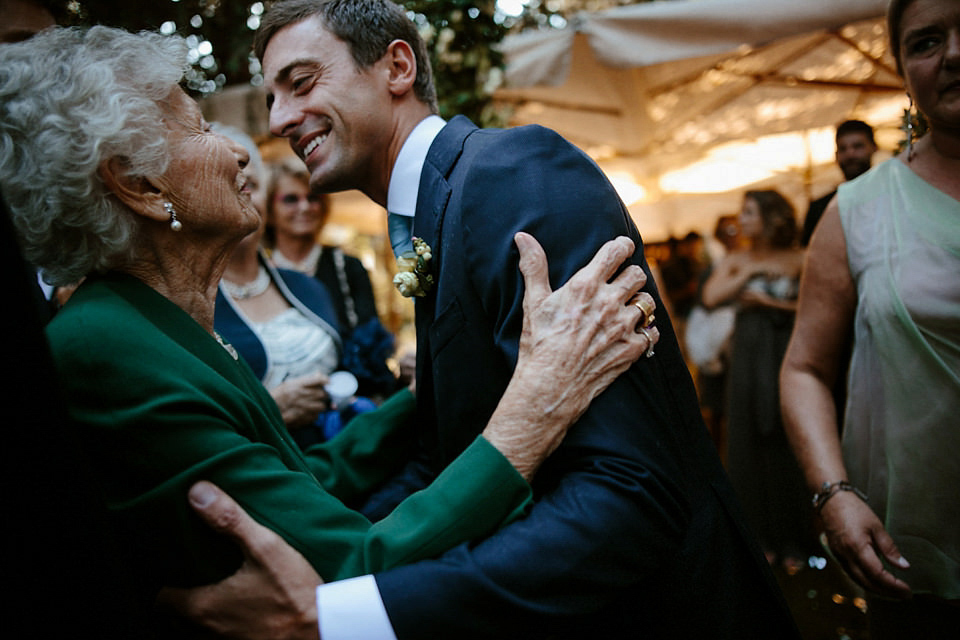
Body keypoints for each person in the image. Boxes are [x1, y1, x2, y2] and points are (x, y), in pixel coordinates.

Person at [172, 2, 802, 637]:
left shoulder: (513, 173)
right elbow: (446, 451)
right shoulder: (434, 212)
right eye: (275, 94)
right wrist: (342, 565)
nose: (279, 119)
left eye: (301, 82)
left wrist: (353, 616)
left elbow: (630, 491)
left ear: (396, 66)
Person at [0, 24, 657, 631]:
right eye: (200, 128)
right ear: (138, 184)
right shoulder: (105, 349)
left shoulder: (147, 322)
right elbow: (354, 563)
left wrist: (421, 395)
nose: (238, 151)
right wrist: (534, 407)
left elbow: (298, 478)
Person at [781, 0, 959, 636]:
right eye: (927, 41)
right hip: (909, 550)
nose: (955, 54)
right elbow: (803, 366)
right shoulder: (854, 210)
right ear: (904, 67)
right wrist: (834, 493)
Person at [213, 124, 373, 448]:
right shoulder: (192, 303)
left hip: (347, 455)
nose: (241, 193)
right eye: (226, 184)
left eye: (251, 183)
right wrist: (270, 410)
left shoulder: (306, 287)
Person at [701, 189, 814, 569]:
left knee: (786, 436)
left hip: (786, 350)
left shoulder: (800, 258)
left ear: (771, 217)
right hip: (747, 356)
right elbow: (711, 297)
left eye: (749, 213)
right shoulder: (737, 259)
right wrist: (748, 271)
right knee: (746, 437)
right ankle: (760, 535)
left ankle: (795, 537)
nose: (741, 219)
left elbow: (817, 306)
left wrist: (770, 303)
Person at [266, 156, 397, 397]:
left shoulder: (348, 267)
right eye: (291, 199)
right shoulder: (261, 276)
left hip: (351, 399)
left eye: (313, 197)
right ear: (269, 211)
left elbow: (371, 343)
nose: (305, 207)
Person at [800, 119, 877, 246]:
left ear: (874, 148)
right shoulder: (820, 208)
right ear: (836, 155)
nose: (850, 154)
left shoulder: (892, 196)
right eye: (843, 149)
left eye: (858, 146)